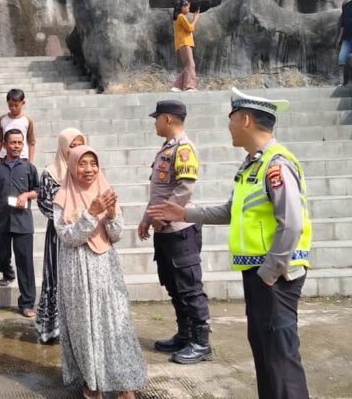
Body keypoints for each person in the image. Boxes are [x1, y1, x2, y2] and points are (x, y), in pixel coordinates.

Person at [147, 87, 312, 398]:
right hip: (261, 274)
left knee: (280, 356)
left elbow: (291, 223)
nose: (229, 125)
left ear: (245, 120)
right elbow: (231, 210)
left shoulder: (276, 164)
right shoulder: (252, 164)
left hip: (276, 276)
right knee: (265, 352)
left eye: (231, 118)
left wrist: (269, 273)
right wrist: (184, 212)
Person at [54, 146, 147, 399]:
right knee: (85, 328)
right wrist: (92, 213)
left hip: (106, 268)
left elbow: (115, 235)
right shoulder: (62, 197)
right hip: (78, 270)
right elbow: (68, 237)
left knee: (116, 325)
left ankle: (125, 385)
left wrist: (112, 214)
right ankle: (92, 382)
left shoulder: (105, 192)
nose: (89, 169)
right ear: (72, 167)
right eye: (82, 164)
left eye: (93, 163)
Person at [138, 100, 212, 364]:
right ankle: (185, 335)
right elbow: (159, 191)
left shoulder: (183, 148)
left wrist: (163, 217)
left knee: (189, 287)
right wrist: (147, 218)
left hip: (180, 230)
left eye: (157, 118)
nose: (155, 123)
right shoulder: (167, 148)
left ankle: (201, 343)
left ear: (167, 119)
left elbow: (184, 188)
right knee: (174, 285)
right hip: (165, 230)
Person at [0, 128, 39, 318]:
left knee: (25, 263)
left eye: (20, 143)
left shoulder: (29, 168)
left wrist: (26, 195)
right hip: (0, 221)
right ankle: (7, 272)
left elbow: (37, 190)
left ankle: (27, 303)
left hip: (23, 223)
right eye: (13, 142)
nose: (16, 146)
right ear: (4, 145)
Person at [35, 127, 85, 343]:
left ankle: (78, 329)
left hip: (84, 234)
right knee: (55, 276)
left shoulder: (87, 170)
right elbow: (43, 202)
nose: (77, 149)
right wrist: (67, 216)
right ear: (64, 147)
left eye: (80, 145)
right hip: (59, 235)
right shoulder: (50, 173)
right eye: (72, 145)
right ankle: (52, 328)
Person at [0, 88, 37, 163]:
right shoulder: (2, 119)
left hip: (22, 158)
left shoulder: (28, 120)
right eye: (10, 105)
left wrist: (31, 163)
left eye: (16, 105)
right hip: (5, 157)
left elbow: (31, 143)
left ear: (23, 103)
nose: (13, 108)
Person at [171, 0, 200, 93]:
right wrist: (195, 18)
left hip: (183, 43)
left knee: (189, 65)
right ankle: (189, 87)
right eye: (188, 7)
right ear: (182, 7)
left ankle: (177, 86)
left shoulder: (180, 17)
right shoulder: (181, 16)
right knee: (190, 64)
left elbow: (188, 29)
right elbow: (190, 28)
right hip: (184, 43)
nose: (189, 9)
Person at [336, 0, 352, 86]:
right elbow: (342, 24)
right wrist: (339, 38)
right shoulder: (346, 5)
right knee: (341, 60)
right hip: (347, 38)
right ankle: (343, 82)